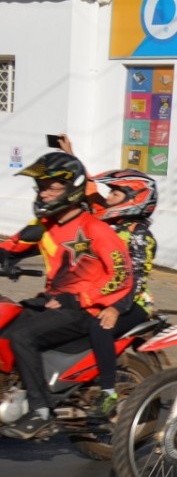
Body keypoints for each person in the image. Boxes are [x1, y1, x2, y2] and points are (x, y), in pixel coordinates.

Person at [0, 151, 132, 439]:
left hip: (85, 309)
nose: (44, 193)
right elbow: (11, 245)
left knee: (23, 337)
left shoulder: (95, 229)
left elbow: (122, 276)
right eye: (42, 186)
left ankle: (41, 412)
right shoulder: (45, 227)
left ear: (72, 189)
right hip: (51, 302)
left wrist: (82, 298)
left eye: (52, 187)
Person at [84, 169, 159, 420]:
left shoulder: (139, 235)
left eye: (114, 194)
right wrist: (72, 159)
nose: (108, 200)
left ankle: (108, 392)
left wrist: (116, 308)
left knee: (99, 327)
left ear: (134, 199)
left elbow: (136, 279)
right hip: (102, 296)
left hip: (133, 302)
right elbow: (89, 196)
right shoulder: (106, 225)